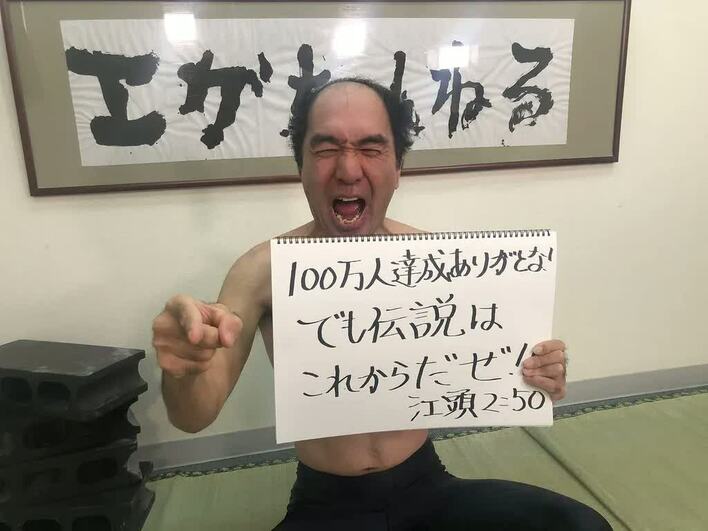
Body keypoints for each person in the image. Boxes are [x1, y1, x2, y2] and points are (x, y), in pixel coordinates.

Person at [152, 78, 611, 530]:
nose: (349, 169)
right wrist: (185, 367)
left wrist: (540, 370)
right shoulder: (262, 271)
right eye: (326, 148)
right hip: (325, 504)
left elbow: (498, 363)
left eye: (371, 148)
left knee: (579, 525)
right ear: (301, 167)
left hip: (428, 486)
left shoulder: (436, 260)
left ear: (397, 168)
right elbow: (194, 415)